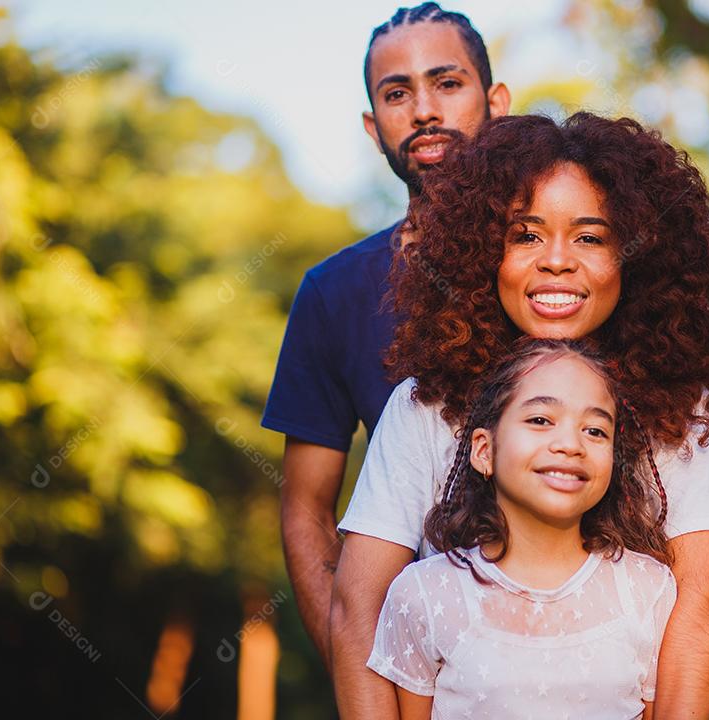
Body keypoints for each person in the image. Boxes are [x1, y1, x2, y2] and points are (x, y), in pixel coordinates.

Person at [334, 112, 709, 719]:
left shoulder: (684, 409)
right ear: (485, 252)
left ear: (635, 257)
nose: (556, 261)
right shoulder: (423, 403)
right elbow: (359, 609)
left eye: (590, 238)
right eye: (526, 235)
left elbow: (705, 607)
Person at [260, 2, 510, 670]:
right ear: (374, 127)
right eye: (397, 94)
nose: (424, 110)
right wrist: (362, 680)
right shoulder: (334, 292)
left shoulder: (561, 266)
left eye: (447, 83)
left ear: (496, 102)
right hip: (424, 672)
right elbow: (307, 512)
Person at [368, 338, 676, 719]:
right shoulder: (423, 595)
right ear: (484, 450)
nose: (570, 444)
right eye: (540, 420)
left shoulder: (647, 590)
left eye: (595, 431)